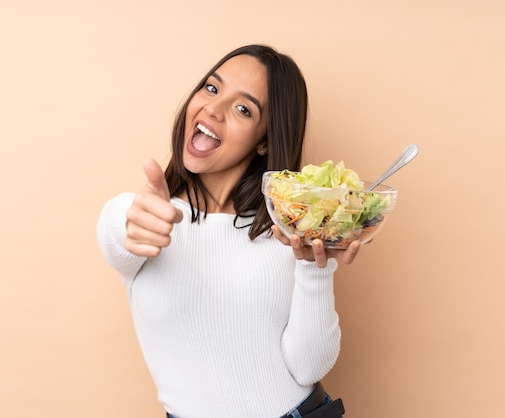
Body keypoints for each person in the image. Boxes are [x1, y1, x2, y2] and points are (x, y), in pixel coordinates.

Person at [96, 44, 361, 418]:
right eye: (211, 88)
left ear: (265, 140)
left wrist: (317, 268)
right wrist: (129, 218)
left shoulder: (289, 233)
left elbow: (308, 367)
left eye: (243, 109)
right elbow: (116, 229)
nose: (213, 110)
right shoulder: (148, 217)